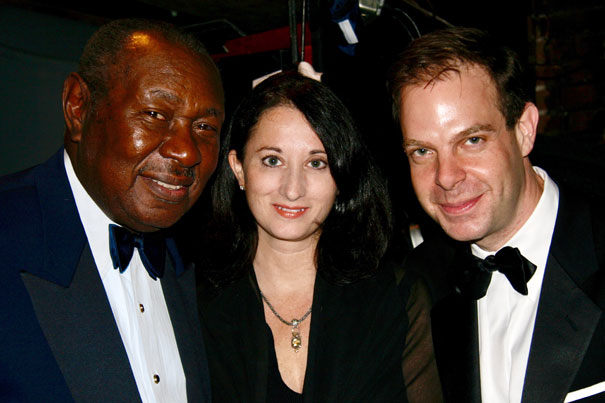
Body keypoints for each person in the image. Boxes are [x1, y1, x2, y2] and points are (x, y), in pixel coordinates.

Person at [0, 18, 224, 402]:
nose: (187, 151)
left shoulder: (197, 270)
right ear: (77, 106)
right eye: (155, 114)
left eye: (204, 127)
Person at [388, 27, 605, 403]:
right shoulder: (415, 287)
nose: (446, 177)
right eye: (422, 152)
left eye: (472, 140)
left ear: (524, 130)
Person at [197, 71, 442, 402]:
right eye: (272, 160)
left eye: (316, 163)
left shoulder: (396, 298)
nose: (293, 188)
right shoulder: (194, 302)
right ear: (238, 168)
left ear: (340, 175)